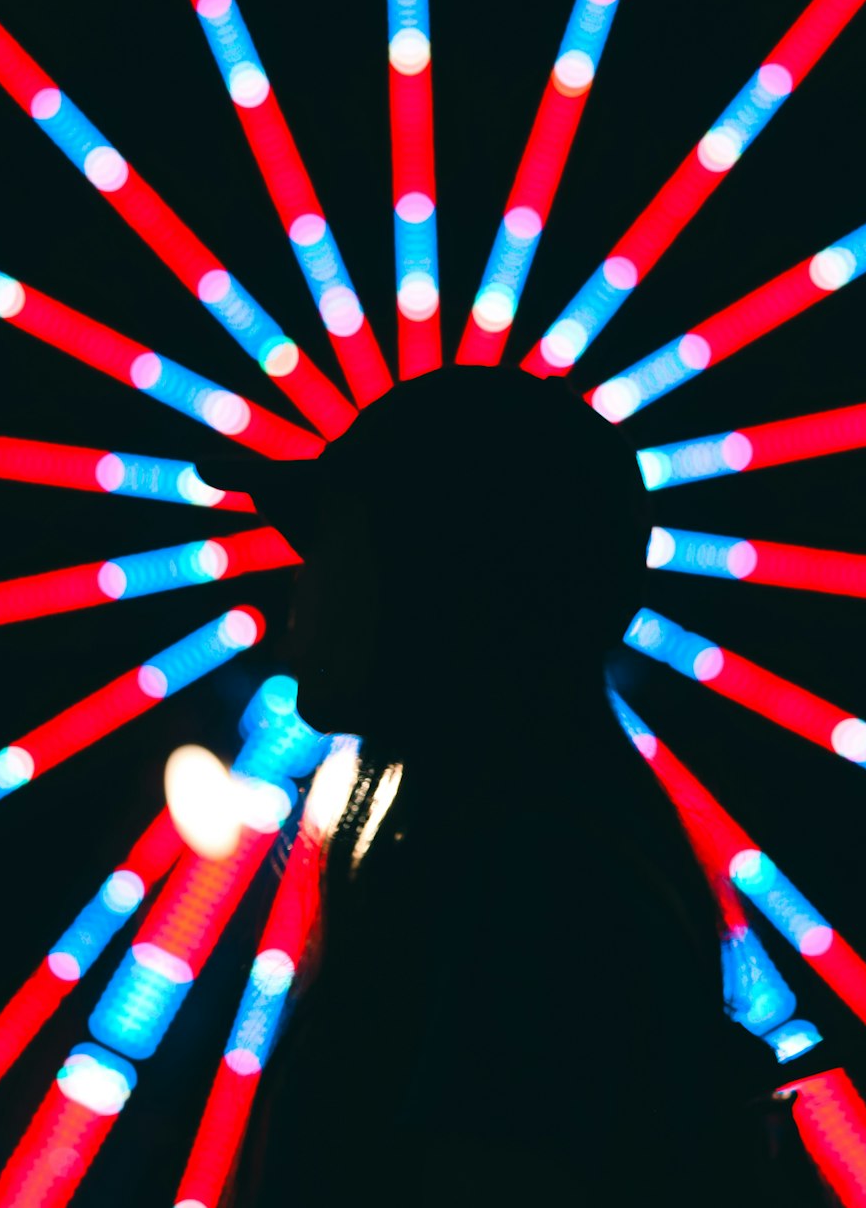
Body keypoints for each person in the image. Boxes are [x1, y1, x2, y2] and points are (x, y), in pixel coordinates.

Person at [213, 368, 828, 1206]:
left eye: (330, 544)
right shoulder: (544, 866)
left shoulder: (526, 905)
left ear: (435, 576)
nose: (298, 586)